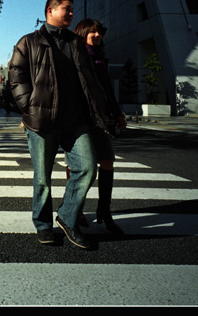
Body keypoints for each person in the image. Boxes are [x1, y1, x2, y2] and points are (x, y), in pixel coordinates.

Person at [9, 0, 109, 249]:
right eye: (68, 9)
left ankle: (67, 217)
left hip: (76, 120)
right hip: (42, 120)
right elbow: (16, 77)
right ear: (50, 11)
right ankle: (43, 226)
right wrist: (29, 106)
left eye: (73, 9)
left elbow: (90, 80)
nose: (72, 13)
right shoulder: (29, 42)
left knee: (87, 168)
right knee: (42, 178)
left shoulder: (76, 43)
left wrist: (100, 110)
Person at [74, 18, 127, 234]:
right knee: (77, 165)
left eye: (99, 32)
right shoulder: (75, 55)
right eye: (92, 32)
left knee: (107, 160)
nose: (97, 35)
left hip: (100, 118)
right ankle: (76, 210)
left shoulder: (100, 59)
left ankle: (104, 211)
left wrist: (117, 113)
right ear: (83, 33)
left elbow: (107, 90)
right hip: (79, 118)